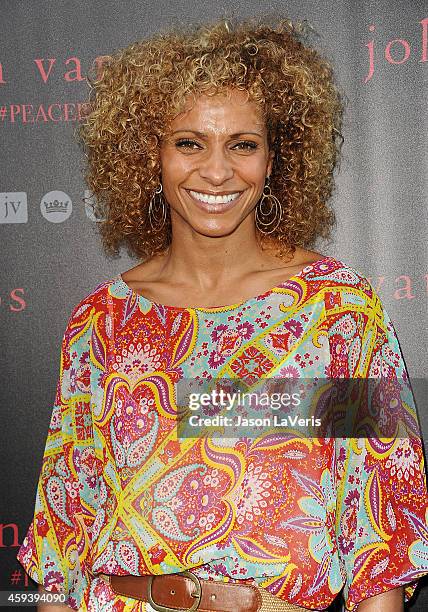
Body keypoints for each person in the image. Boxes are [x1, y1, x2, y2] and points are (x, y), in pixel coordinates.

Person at [16, 15, 428, 612]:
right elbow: (65, 538)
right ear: (148, 157)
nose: (216, 171)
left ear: (273, 159)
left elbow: (381, 532)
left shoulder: (337, 311)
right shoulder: (98, 323)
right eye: (189, 143)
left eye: (243, 144)